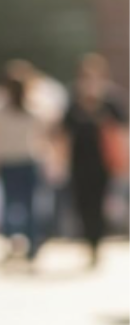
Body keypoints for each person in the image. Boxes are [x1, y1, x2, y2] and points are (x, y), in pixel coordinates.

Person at [58, 54, 129, 267]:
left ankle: (97, 243)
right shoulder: (72, 100)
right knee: (83, 204)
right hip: (79, 162)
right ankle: (90, 242)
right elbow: (63, 133)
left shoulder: (111, 100)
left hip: (104, 162)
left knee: (100, 203)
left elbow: (123, 130)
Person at [0, 70, 50, 263]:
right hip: (26, 161)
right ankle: (31, 242)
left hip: (9, 163)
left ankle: (11, 239)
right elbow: (44, 137)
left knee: (9, 204)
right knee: (28, 204)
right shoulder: (33, 112)